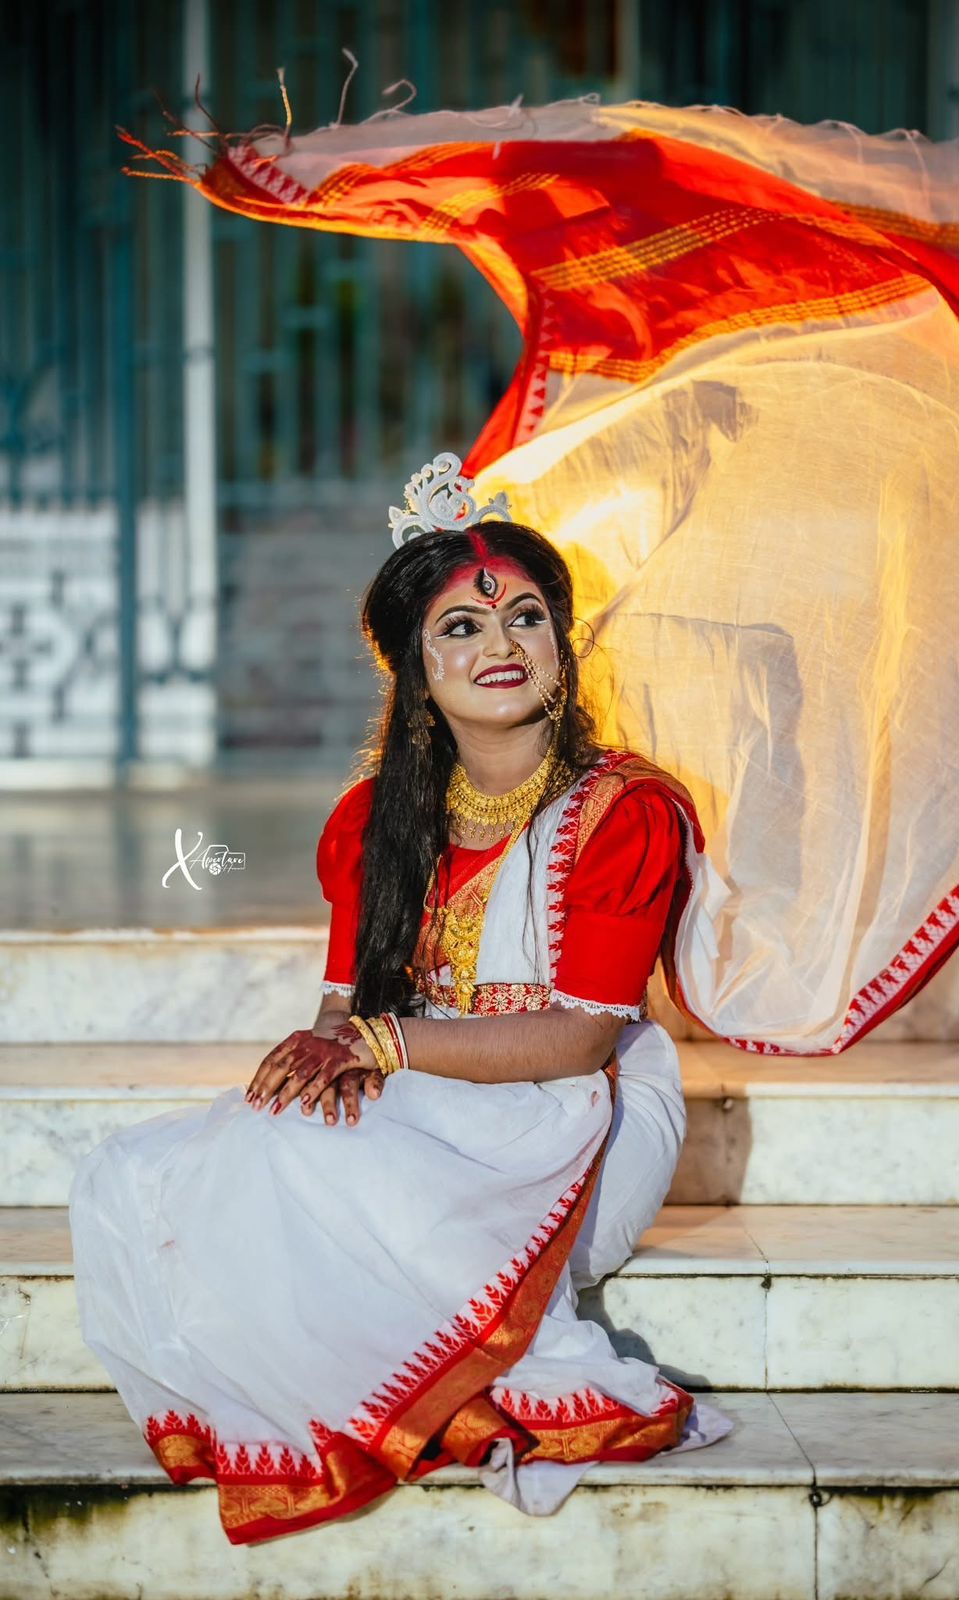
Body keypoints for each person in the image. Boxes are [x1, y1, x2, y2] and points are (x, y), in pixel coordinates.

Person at [68, 456, 734, 1547]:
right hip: (421, 1085)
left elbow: (579, 1038)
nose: (500, 644)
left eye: (524, 616)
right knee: (161, 1170)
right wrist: (328, 1054)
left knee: (313, 1170)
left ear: (562, 648)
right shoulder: (372, 820)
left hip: (581, 1114)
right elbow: (345, 1006)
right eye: (460, 630)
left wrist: (376, 1044)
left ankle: (453, 1388)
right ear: (417, 673)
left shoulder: (622, 811)